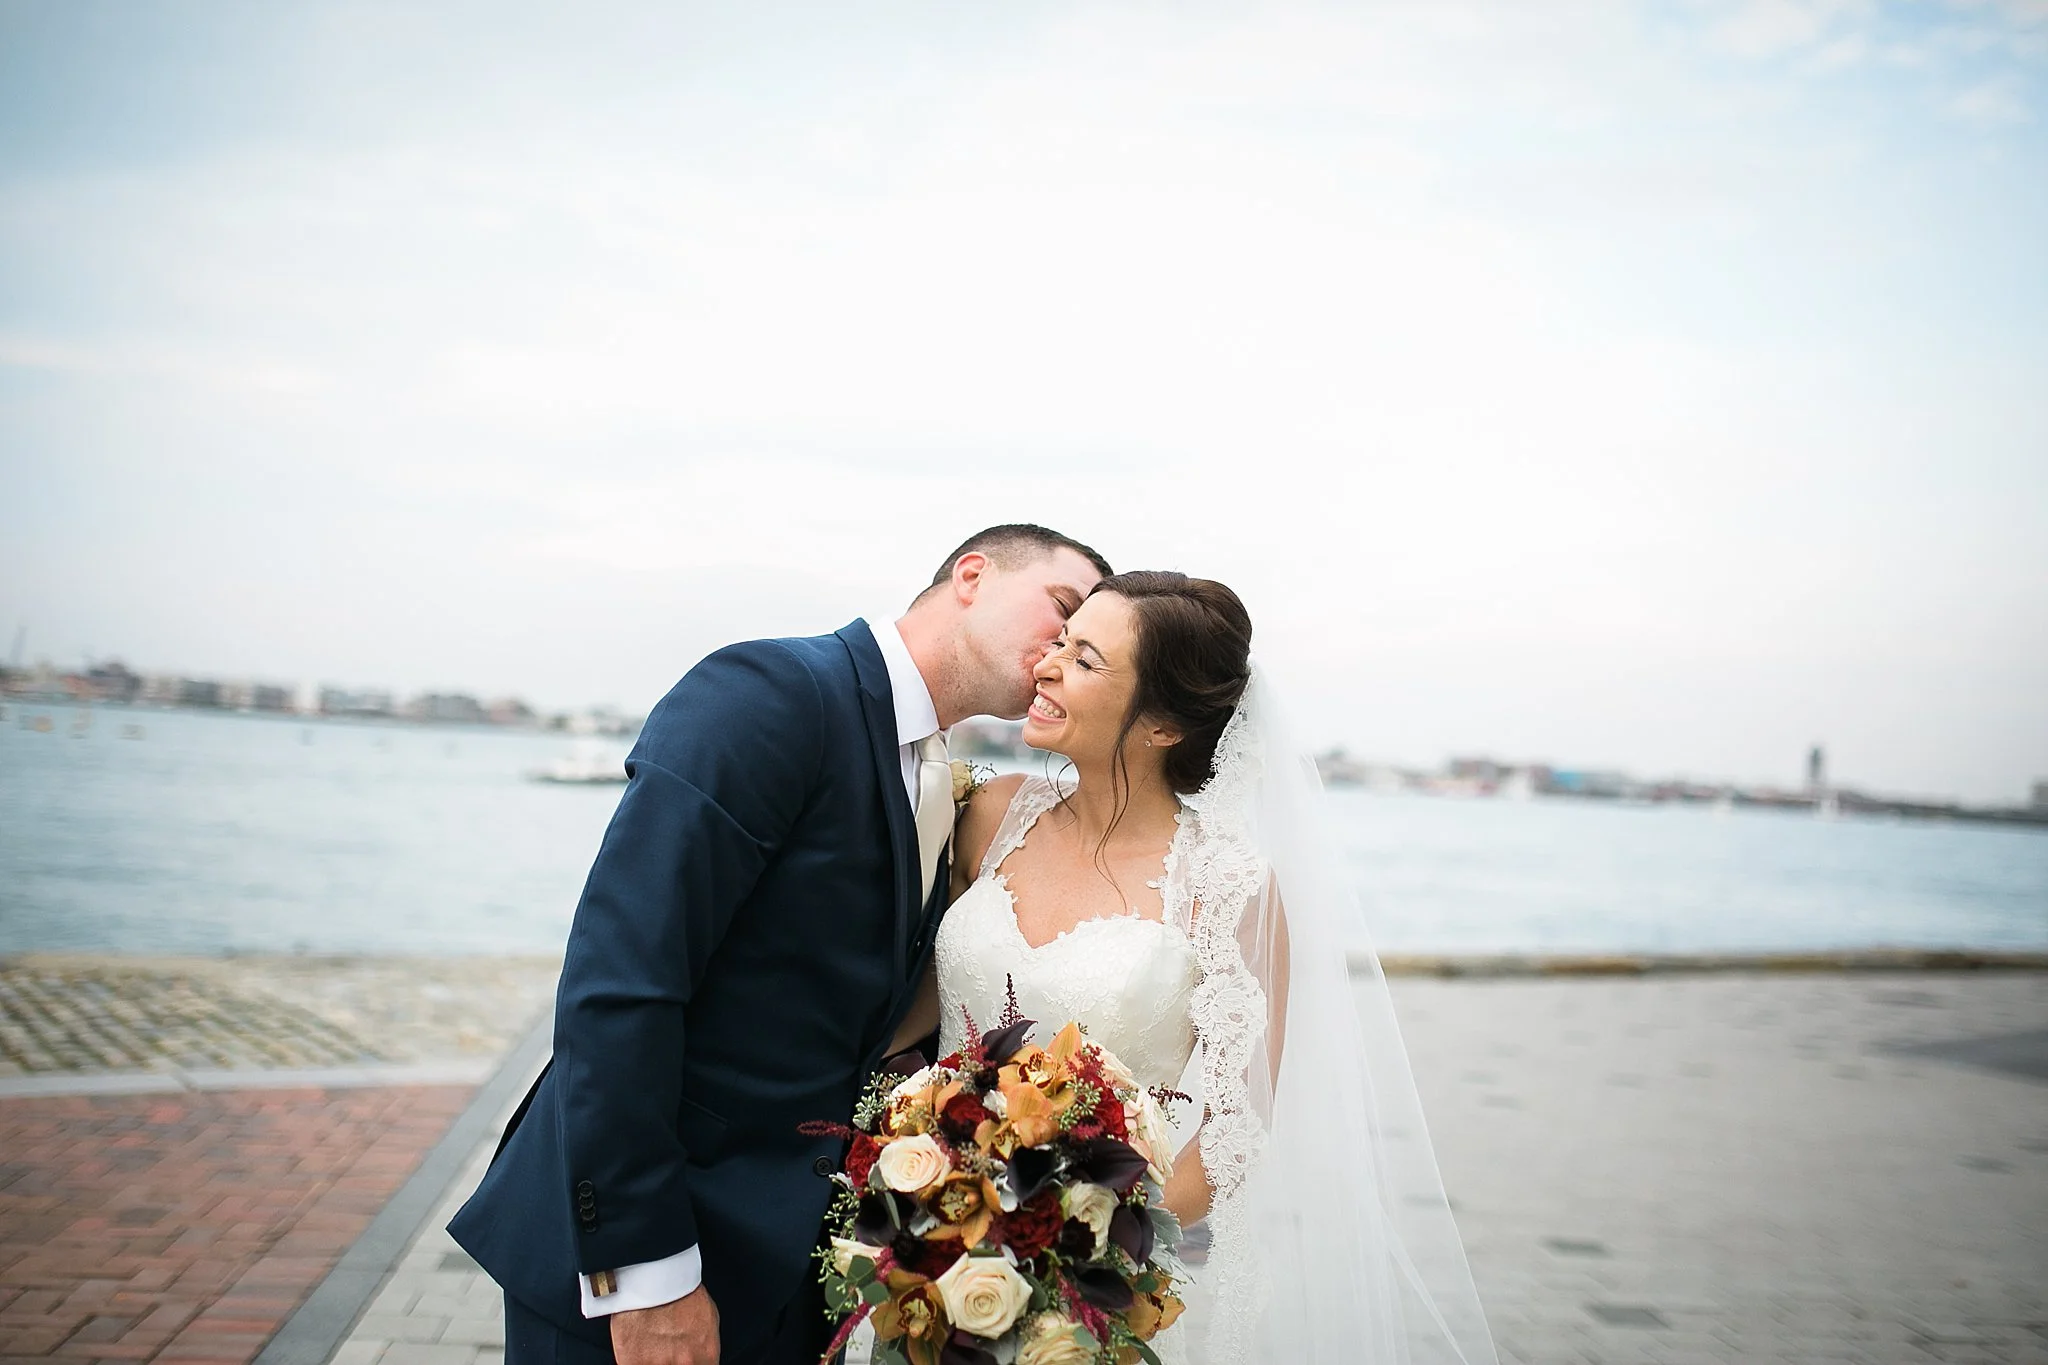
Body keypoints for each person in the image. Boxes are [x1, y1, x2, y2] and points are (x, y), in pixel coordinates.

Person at [448, 525, 1110, 1365]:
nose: (1064, 647)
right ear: (972, 575)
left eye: (1087, 640)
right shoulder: (773, 691)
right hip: (643, 1257)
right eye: (1062, 609)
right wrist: (647, 1273)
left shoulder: (935, 773)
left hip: (783, 1272)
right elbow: (622, 981)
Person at [891, 569, 1499, 1364]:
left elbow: (1235, 1138)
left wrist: (1055, 1249)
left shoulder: (1231, 887)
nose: (1046, 664)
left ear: (1163, 726)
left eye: (1085, 660)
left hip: (1072, 1298)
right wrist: (902, 1183)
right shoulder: (991, 815)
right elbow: (918, 1006)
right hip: (915, 1255)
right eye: (1062, 641)